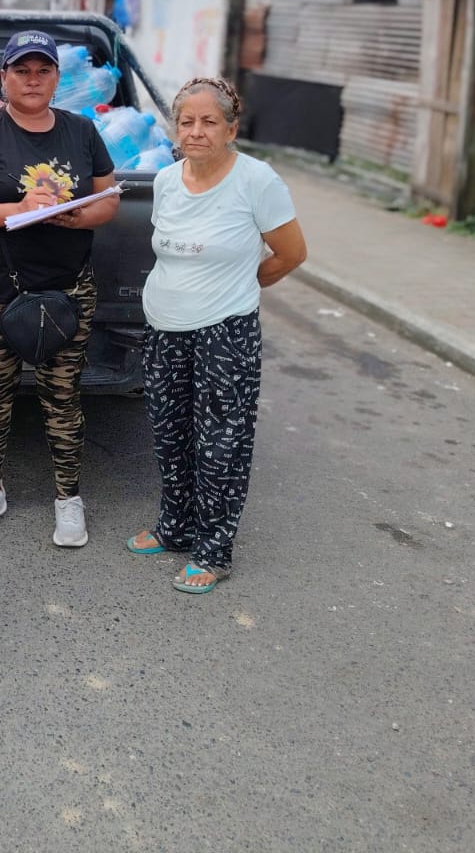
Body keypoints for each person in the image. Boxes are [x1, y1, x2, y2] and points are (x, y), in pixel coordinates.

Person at [0, 30, 120, 548]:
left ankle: (68, 498)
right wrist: (17, 210)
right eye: (22, 70)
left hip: (68, 289)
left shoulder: (81, 131)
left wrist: (78, 215)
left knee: (63, 397)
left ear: (58, 78)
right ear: (4, 77)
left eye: (43, 70)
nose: (33, 80)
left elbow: (109, 199)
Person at [126, 76, 307, 593]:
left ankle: (213, 549)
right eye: (186, 121)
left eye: (209, 121)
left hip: (224, 333)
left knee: (221, 444)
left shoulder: (257, 180)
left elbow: (291, 254)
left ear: (231, 128)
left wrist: (239, 286)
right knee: (170, 434)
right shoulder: (166, 181)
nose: (196, 131)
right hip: (165, 329)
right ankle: (175, 527)